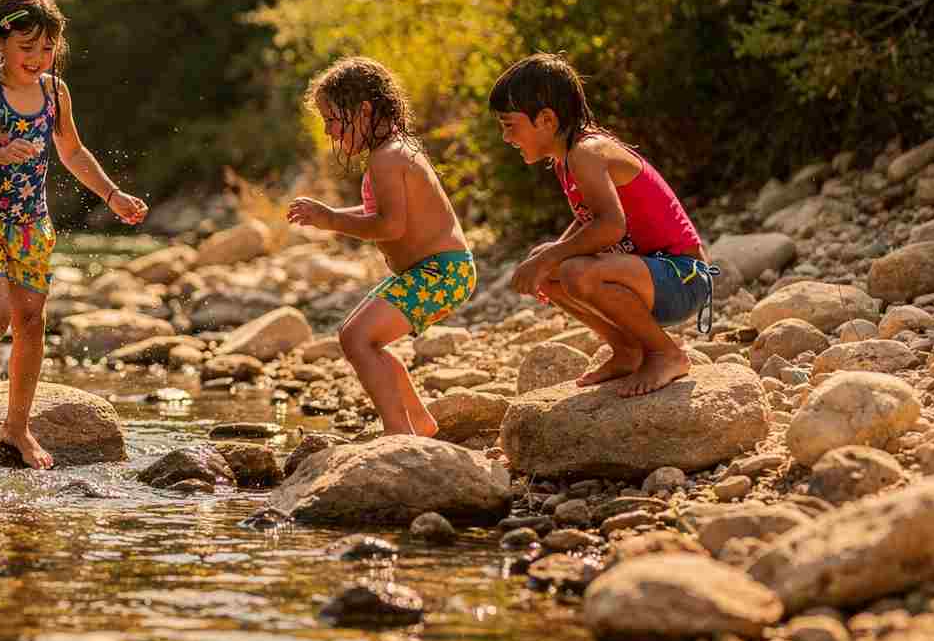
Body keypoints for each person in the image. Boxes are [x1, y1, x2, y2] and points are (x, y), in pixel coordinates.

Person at [0, 0, 148, 468]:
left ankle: (16, 426)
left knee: (31, 322)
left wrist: (112, 194)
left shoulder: (55, 92)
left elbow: (73, 151)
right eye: (27, 47)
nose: (38, 57)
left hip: (31, 221)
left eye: (47, 47)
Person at [491, 52, 715, 396]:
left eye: (509, 125)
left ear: (546, 119)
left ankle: (666, 353)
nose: (506, 138)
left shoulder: (587, 152)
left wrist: (550, 259)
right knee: (549, 267)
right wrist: (545, 258)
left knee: (572, 270)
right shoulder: (567, 158)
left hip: (684, 277)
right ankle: (628, 350)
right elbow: (588, 220)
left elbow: (611, 227)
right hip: (650, 279)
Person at [286, 58, 474, 437]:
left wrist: (331, 220)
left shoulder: (390, 158)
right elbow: (380, 211)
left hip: (442, 272)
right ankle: (419, 422)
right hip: (437, 271)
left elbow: (391, 225)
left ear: (365, 110)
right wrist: (332, 214)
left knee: (358, 338)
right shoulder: (392, 152)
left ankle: (398, 432)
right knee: (358, 335)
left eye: (332, 119)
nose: (328, 131)